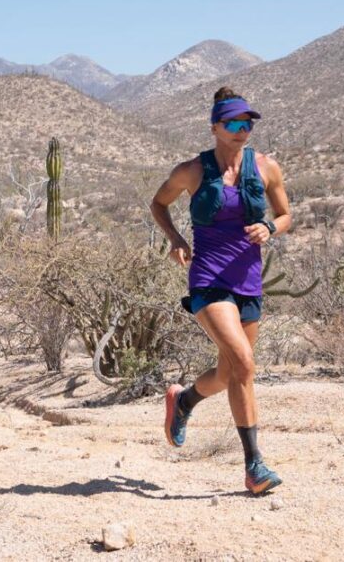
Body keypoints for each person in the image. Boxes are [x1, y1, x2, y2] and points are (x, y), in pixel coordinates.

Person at [150, 87, 292, 495]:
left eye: (247, 123)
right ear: (215, 127)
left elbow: (285, 215)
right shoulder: (191, 170)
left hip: (248, 280)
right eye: (233, 123)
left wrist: (269, 227)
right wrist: (176, 239)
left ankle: (185, 401)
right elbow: (158, 204)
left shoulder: (266, 168)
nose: (242, 130)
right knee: (245, 364)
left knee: (231, 372)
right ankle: (254, 466)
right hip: (209, 278)